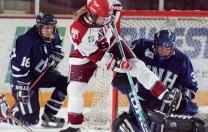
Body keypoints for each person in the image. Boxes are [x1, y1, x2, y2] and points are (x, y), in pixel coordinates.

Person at [61, 0, 182, 131]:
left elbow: (115, 10)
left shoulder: (106, 8)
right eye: (102, 18)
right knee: (75, 89)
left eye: (107, 17)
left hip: (110, 42)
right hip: (86, 55)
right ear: (92, 14)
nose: (106, 21)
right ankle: (74, 126)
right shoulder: (78, 30)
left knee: (138, 65)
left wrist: (116, 10)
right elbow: (97, 57)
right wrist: (118, 64)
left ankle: (163, 92)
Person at [111, 30, 204, 131]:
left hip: (164, 106)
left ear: (173, 48)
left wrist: (179, 95)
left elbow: (191, 88)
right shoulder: (141, 46)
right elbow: (123, 59)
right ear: (154, 45)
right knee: (124, 126)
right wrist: (122, 76)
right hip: (139, 101)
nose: (163, 51)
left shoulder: (182, 60)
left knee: (190, 108)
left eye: (167, 48)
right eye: (160, 47)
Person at [0, 12, 68, 128]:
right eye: (46, 27)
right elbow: (18, 67)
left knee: (65, 82)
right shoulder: (27, 41)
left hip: (41, 74)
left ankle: (49, 116)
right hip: (23, 80)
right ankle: (4, 116)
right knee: (30, 120)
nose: (49, 30)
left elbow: (57, 45)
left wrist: (56, 54)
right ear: (39, 26)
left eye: (51, 27)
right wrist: (22, 87)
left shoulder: (53, 33)